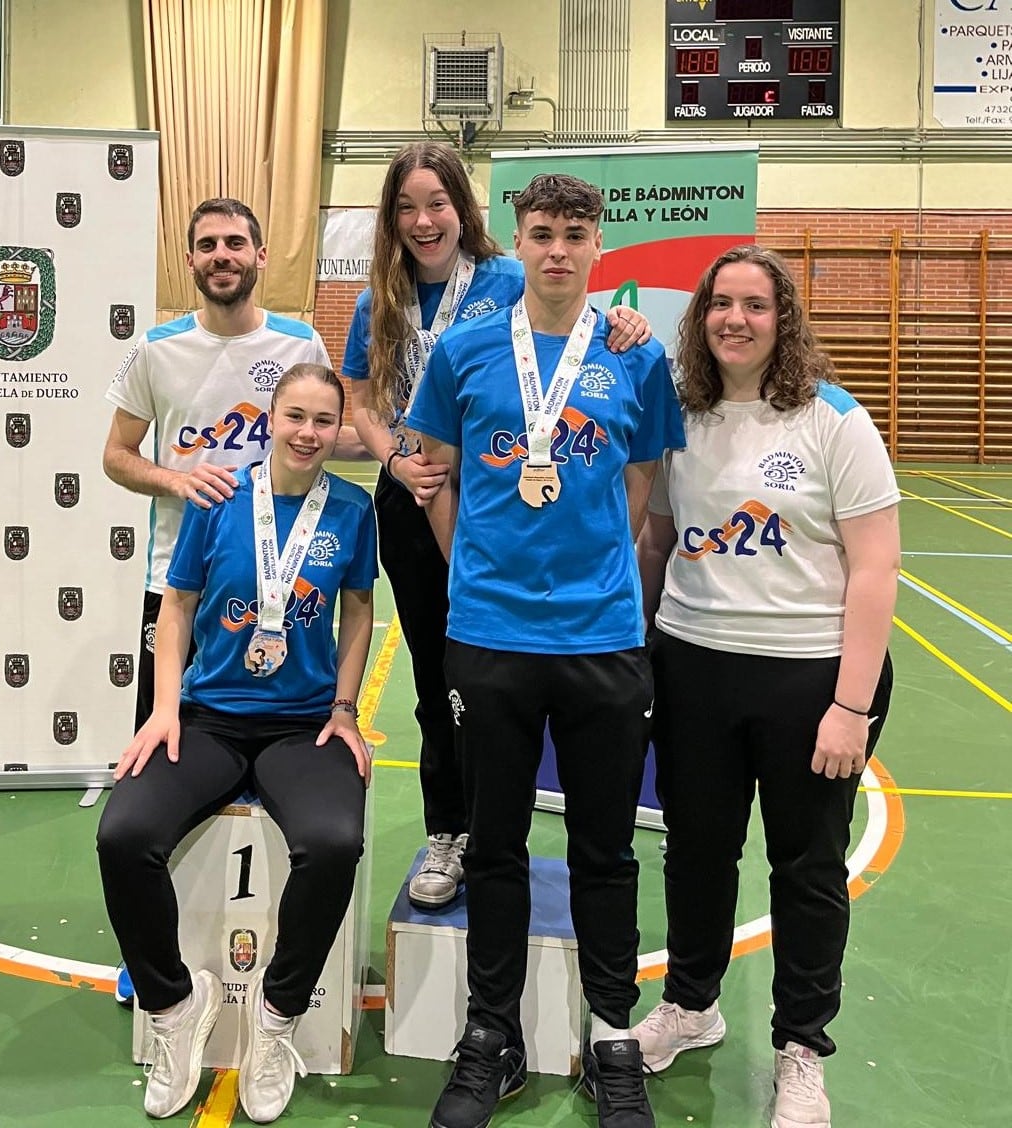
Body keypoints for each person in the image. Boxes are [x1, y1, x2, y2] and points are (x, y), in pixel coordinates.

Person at [408, 172, 685, 1128]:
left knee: (604, 848)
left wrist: (594, 566)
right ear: (515, 243)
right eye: (541, 232)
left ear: (598, 245)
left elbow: (641, 484)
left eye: (575, 233)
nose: (558, 249)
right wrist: (479, 567)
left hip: (603, 636)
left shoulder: (633, 358)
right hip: (488, 637)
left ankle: (613, 1036)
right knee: (495, 846)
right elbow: (430, 474)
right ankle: (492, 1036)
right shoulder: (467, 351)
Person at [343, 143, 650, 910]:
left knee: (494, 680)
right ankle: (451, 830)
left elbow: (574, 319)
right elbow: (359, 396)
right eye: (407, 207)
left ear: (466, 213)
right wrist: (396, 462)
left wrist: (624, 321)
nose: (423, 221)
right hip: (412, 500)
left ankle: (494, 830)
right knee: (438, 679)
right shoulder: (376, 296)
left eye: (437, 204)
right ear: (392, 218)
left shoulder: (510, 276)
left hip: (498, 507)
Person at [634, 245, 899, 1128]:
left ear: (783, 320)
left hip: (809, 677)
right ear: (700, 317)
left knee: (807, 867)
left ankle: (801, 1048)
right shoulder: (684, 413)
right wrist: (637, 650)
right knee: (698, 851)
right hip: (695, 665)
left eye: (754, 305)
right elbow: (659, 541)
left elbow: (875, 569)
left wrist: (850, 706)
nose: (734, 320)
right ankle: (692, 1003)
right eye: (720, 304)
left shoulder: (835, 421)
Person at [96, 364, 378, 1122]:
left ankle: (276, 1020)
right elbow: (177, 605)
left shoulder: (352, 509)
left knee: (332, 841)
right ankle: (174, 1007)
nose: (309, 433)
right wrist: (163, 710)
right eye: (295, 416)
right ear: (271, 420)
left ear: (336, 428)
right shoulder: (220, 503)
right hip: (211, 718)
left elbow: (358, 612)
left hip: (300, 725)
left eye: (324, 420)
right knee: (123, 835)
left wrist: (345, 709)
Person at [104, 197, 366, 736]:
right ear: (189, 260)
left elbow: (315, 436)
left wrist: (403, 448)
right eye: (207, 246)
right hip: (175, 578)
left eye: (235, 243)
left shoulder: (299, 343)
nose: (221, 256)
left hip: (282, 575)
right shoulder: (156, 349)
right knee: (163, 742)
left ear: (261, 255)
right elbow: (116, 456)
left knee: (281, 743)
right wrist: (177, 479)